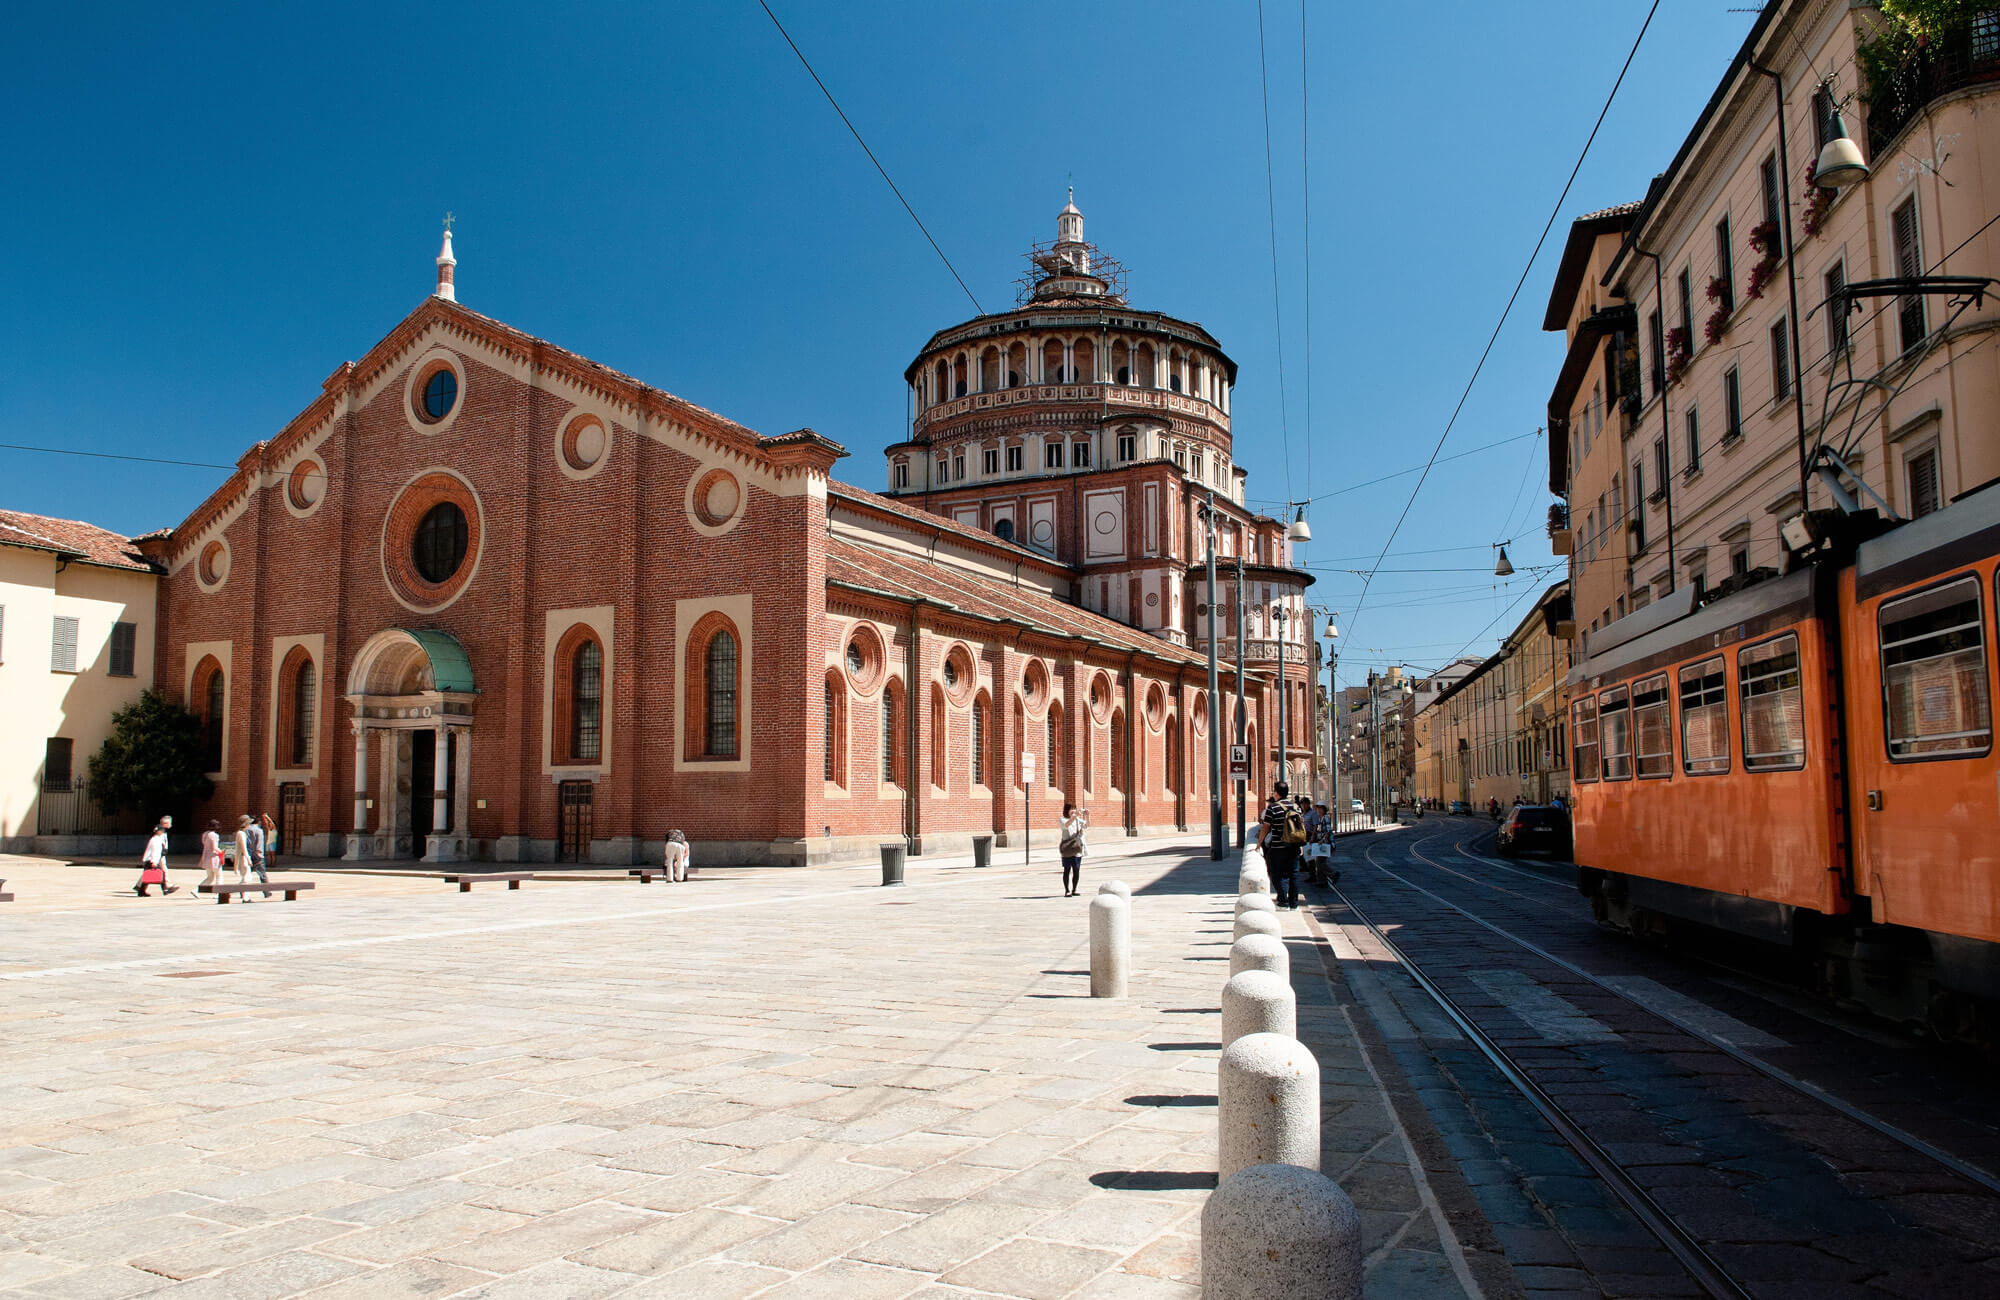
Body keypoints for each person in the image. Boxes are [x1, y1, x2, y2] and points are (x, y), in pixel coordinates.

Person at [1254, 782, 1307, 908]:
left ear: (1276, 793)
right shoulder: (1295, 807)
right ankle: (1294, 904)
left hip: (1278, 847)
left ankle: (1283, 900)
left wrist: (1259, 843)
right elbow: (1299, 826)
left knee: (1276, 874)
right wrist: (1300, 845)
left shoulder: (1272, 808)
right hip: (1293, 846)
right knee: (1293, 875)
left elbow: (1265, 827)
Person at [134, 817, 177, 896]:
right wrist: (154, 861)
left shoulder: (154, 838)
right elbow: (155, 851)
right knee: (160, 874)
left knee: (147, 875)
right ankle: (165, 889)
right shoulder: (156, 840)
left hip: (151, 860)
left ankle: (141, 890)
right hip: (152, 860)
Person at [1058, 804, 1090, 897]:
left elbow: (1087, 825)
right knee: (1067, 870)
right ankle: (1067, 890)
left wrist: (1087, 815)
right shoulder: (1062, 819)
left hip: (1077, 847)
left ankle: (1074, 889)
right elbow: (1066, 825)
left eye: (1074, 809)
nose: (1073, 810)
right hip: (1067, 848)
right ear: (1066, 810)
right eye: (1071, 809)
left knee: (1076, 869)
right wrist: (1073, 817)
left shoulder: (1077, 820)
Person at [231, 816, 255, 896]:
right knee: (247, 877)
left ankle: (244, 895)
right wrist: (248, 859)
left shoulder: (244, 833)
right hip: (243, 857)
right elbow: (243, 848)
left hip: (244, 857)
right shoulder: (241, 834)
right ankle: (245, 896)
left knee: (246, 877)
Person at [198, 820, 224, 890]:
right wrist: (221, 852)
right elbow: (214, 847)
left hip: (206, 857)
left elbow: (205, 844)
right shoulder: (214, 835)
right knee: (219, 876)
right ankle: (219, 892)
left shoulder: (205, 834)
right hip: (214, 857)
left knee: (210, 878)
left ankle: (197, 890)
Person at [247, 813, 271, 885]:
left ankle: (243, 892)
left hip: (248, 853)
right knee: (262, 874)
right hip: (257, 855)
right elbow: (259, 842)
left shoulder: (246, 830)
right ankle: (267, 891)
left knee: (247, 874)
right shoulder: (258, 830)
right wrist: (259, 852)